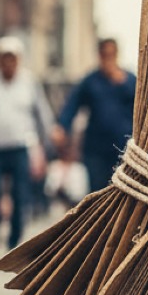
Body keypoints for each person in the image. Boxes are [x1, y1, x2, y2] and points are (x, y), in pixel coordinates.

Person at [0, 36, 55, 252]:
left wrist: (45, 147)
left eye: (12, 58)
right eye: (4, 59)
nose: (8, 63)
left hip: (20, 146)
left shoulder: (29, 82)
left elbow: (42, 115)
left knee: (20, 194)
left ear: (19, 60)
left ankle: (14, 237)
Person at [53, 38, 138, 193]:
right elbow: (72, 105)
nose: (108, 59)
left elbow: (141, 108)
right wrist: (62, 127)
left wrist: (122, 83)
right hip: (96, 149)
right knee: (97, 191)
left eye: (111, 55)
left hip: (124, 148)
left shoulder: (130, 81)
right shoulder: (90, 81)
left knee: (121, 192)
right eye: (104, 55)